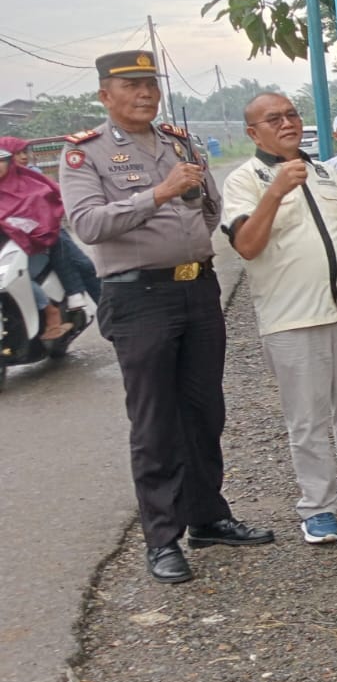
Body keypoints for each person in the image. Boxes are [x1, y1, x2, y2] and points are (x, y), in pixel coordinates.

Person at [60, 50, 275, 584]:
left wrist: (188, 207)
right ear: (105, 95)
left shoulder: (179, 143)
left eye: (149, 84)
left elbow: (209, 207)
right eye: (130, 86)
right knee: (154, 421)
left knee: (204, 411)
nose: (145, 94)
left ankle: (208, 516)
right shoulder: (86, 156)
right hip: (139, 298)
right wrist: (156, 194)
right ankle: (163, 538)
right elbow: (86, 224)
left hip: (197, 290)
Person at [223, 93, 337, 543]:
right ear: (253, 132)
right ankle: (317, 506)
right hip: (290, 318)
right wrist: (276, 191)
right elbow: (246, 245)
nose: (286, 123)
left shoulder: (325, 173)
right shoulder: (245, 180)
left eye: (291, 115)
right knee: (307, 418)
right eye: (273, 119)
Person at [0, 137, 96, 339]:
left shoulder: (30, 179)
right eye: (19, 153)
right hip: (8, 248)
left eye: (24, 153)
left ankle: (108, 311)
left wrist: (28, 227)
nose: (24, 157)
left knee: (83, 264)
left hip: (39, 239)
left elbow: (47, 205)